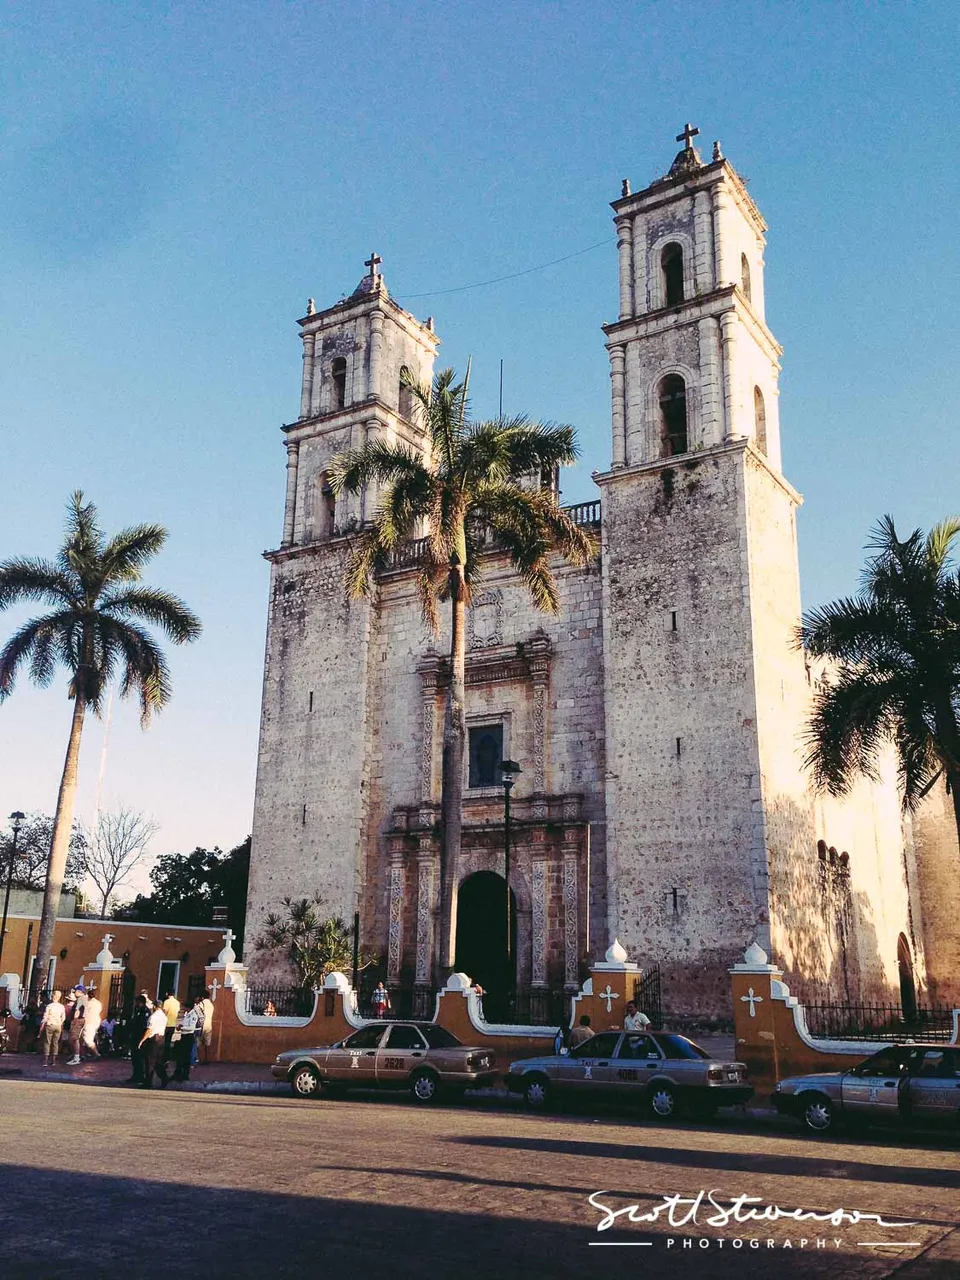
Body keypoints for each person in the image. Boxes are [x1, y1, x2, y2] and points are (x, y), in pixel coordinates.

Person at [138, 1002, 169, 1089]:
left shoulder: (153, 1016)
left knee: (150, 1062)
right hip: (161, 1039)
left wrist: (142, 1040)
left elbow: (149, 1030)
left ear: (155, 1007)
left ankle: (148, 1082)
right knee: (158, 1061)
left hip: (153, 1040)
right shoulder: (164, 1016)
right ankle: (164, 1078)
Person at [172, 998, 200, 1081]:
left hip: (188, 1036)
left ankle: (185, 1075)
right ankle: (178, 1073)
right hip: (183, 1036)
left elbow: (191, 1027)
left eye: (185, 1007)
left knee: (186, 1057)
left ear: (188, 1007)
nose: (184, 1008)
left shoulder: (193, 1015)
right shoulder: (187, 1015)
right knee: (180, 1056)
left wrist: (182, 1027)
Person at [39, 990, 66, 1067]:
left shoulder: (49, 1006)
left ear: (53, 996)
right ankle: (54, 1061)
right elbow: (63, 1018)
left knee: (47, 1042)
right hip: (58, 1026)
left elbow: (45, 1017)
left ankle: (45, 1061)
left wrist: (42, 1024)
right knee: (55, 1043)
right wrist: (60, 1022)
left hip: (50, 1024)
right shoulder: (61, 1006)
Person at [127, 994, 151, 1083]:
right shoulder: (137, 1010)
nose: (135, 1003)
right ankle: (135, 1075)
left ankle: (141, 1076)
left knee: (140, 1057)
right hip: (134, 1036)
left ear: (141, 1002)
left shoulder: (145, 1011)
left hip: (140, 1036)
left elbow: (143, 1025)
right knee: (134, 1058)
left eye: (137, 1002)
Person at [78, 986, 102, 1060]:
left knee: (88, 1039)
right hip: (96, 1021)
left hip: (89, 1022)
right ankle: (84, 1054)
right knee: (84, 1038)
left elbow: (86, 1014)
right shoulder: (98, 1003)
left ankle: (96, 1053)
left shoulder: (88, 1004)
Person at [196, 989, 215, 1065]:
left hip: (201, 1025)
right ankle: (207, 1059)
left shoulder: (201, 1004)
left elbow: (197, 1013)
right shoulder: (211, 1005)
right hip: (209, 1025)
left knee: (199, 1043)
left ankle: (199, 1059)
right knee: (207, 1043)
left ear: (202, 997)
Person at [161, 990, 180, 1063]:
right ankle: (167, 1057)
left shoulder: (166, 1002)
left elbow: (164, 1012)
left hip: (166, 1024)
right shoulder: (177, 1002)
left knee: (164, 1041)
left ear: (167, 993)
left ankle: (164, 1057)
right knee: (169, 1041)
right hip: (173, 1024)